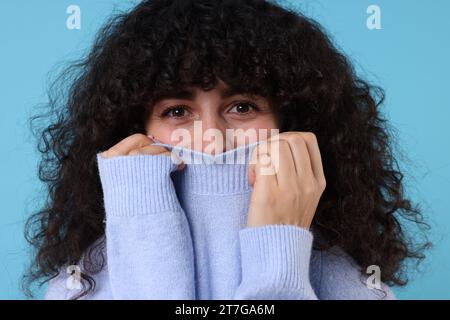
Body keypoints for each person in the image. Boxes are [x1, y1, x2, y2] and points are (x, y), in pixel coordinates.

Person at [24, 0, 428, 300]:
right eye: (177, 111)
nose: (211, 136)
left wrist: (279, 238)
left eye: (242, 107)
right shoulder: (79, 287)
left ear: (293, 124)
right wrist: (141, 217)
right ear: (136, 130)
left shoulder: (353, 286)